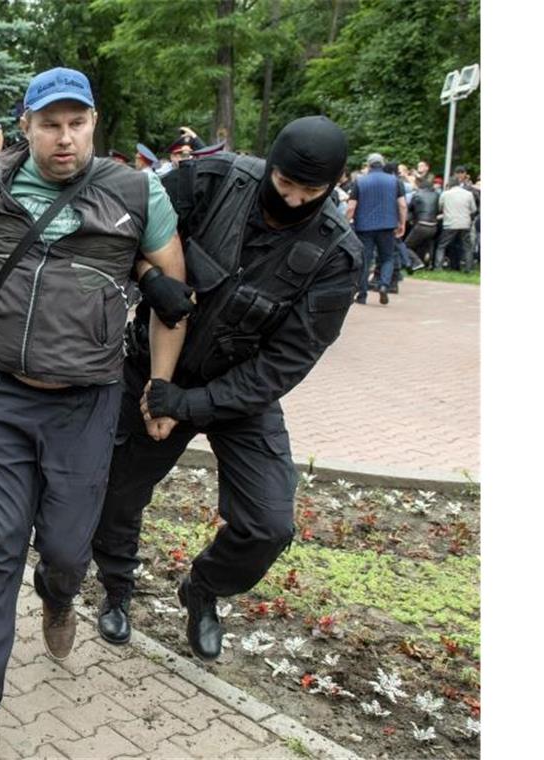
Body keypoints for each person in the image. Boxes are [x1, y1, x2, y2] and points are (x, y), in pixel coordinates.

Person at [0, 68, 186, 749]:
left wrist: (160, 387)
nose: (64, 137)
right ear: (28, 127)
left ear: (94, 125)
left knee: (69, 551)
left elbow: (172, 294)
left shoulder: (137, 190)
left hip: (87, 402)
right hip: (4, 394)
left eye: (77, 123)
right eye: (50, 124)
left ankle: (59, 595)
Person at [91, 116, 360, 666]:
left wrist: (189, 405)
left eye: (311, 192)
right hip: (154, 367)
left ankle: (204, 588)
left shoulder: (336, 256)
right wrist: (149, 277)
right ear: (272, 163)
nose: (293, 199)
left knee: (269, 524)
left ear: (335, 184)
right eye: (285, 183)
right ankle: (116, 588)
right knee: (117, 490)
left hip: (242, 392)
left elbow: (286, 362)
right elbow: (123, 230)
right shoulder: (209, 181)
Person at [346, 152, 405, 304]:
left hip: (364, 227)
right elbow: (402, 205)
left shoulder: (360, 181)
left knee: (365, 260)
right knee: (387, 258)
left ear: (368, 165)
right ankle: (384, 285)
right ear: (383, 163)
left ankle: (362, 294)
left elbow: (351, 206)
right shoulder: (394, 181)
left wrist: (346, 223)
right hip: (387, 225)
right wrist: (402, 223)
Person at [434, 177, 477, 271]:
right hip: (465, 223)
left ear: (449, 184)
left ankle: (438, 267)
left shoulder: (445, 194)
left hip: (450, 223)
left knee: (442, 245)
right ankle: (468, 268)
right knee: (467, 247)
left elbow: (440, 207)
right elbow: (473, 209)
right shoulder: (468, 194)